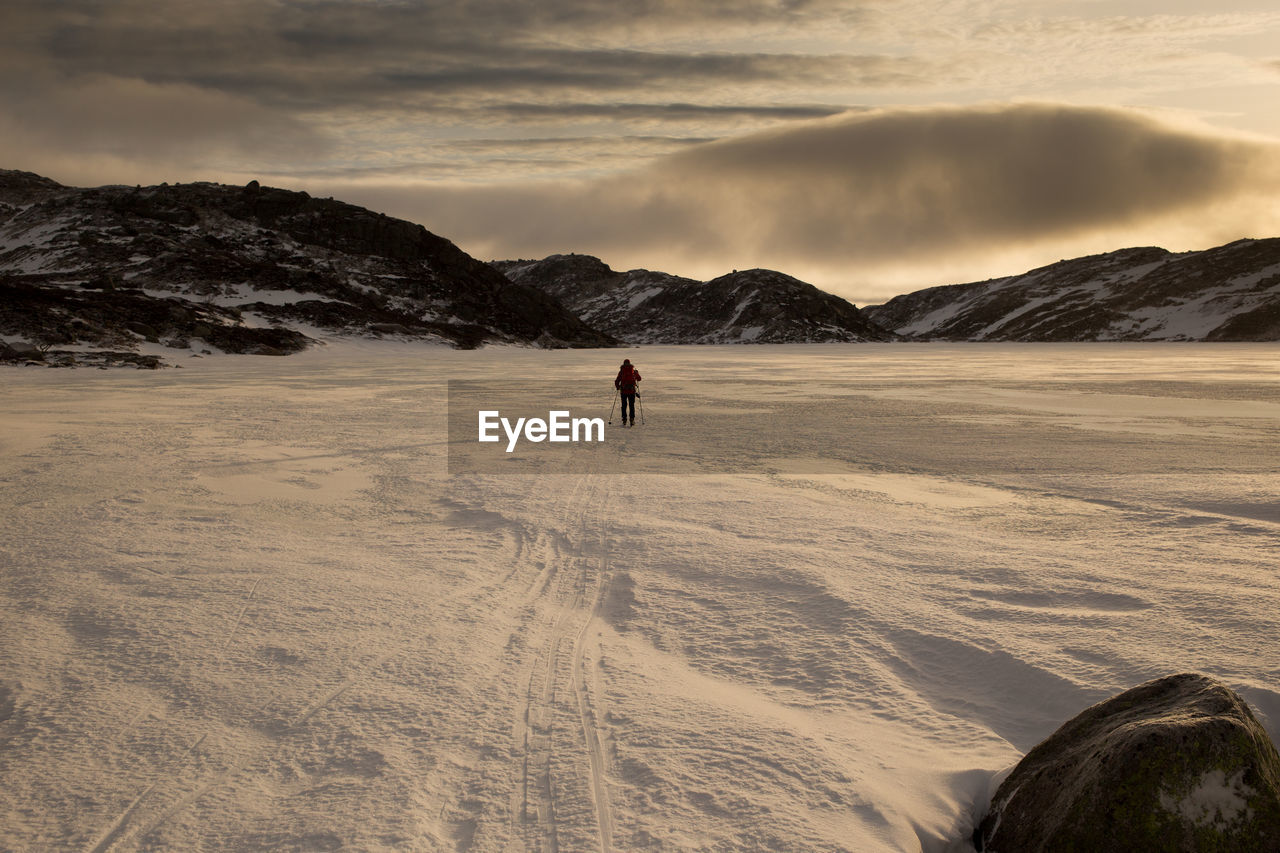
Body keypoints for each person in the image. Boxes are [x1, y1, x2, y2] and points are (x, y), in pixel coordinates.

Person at [614, 358, 641, 426]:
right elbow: (639, 379)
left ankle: (624, 420)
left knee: (624, 406)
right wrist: (637, 373)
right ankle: (632, 419)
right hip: (631, 391)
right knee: (631, 406)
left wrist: (618, 387)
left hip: (623, 391)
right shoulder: (633, 371)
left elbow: (617, 381)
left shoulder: (621, 371)